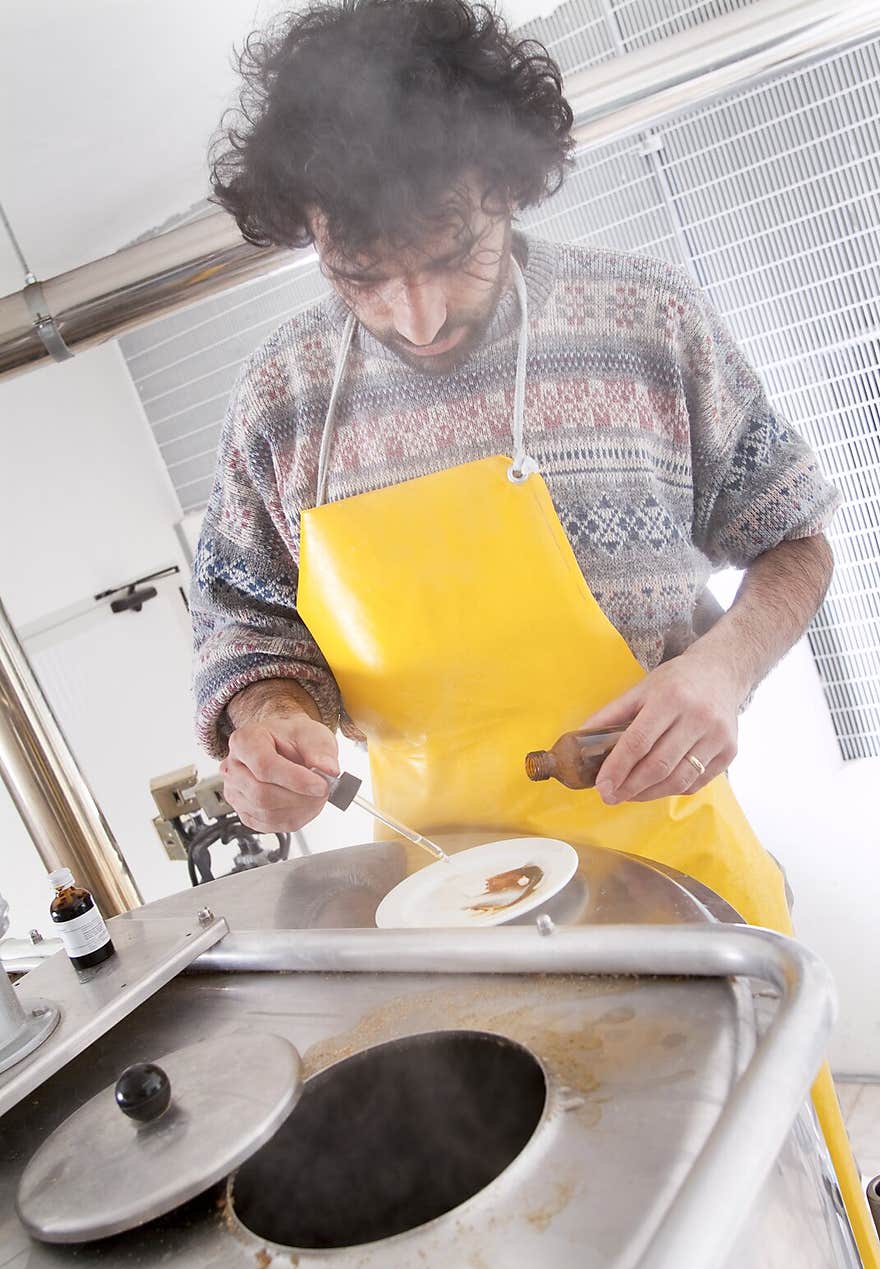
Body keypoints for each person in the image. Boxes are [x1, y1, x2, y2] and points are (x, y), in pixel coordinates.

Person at [192, 0, 837, 931]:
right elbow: (244, 625)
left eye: (451, 256)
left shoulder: (646, 321)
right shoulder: (281, 399)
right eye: (361, 275)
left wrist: (726, 668)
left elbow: (797, 540)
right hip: (444, 909)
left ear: (506, 183)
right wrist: (265, 720)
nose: (416, 318)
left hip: (684, 878)